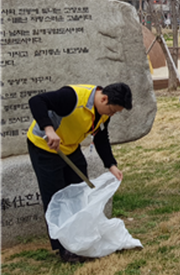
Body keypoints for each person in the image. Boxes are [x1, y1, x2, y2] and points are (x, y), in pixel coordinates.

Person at [26, 83, 133, 263]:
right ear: (104, 98)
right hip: (45, 147)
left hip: (70, 148)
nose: (112, 114)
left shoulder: (103, 113)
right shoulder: (73, 97)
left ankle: (80, 240)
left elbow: (101, 137)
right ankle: (64, 249)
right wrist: (49, 129)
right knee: (55, 196)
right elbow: (36, 101)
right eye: (112, 110)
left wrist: (111, 165)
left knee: (79, 191)